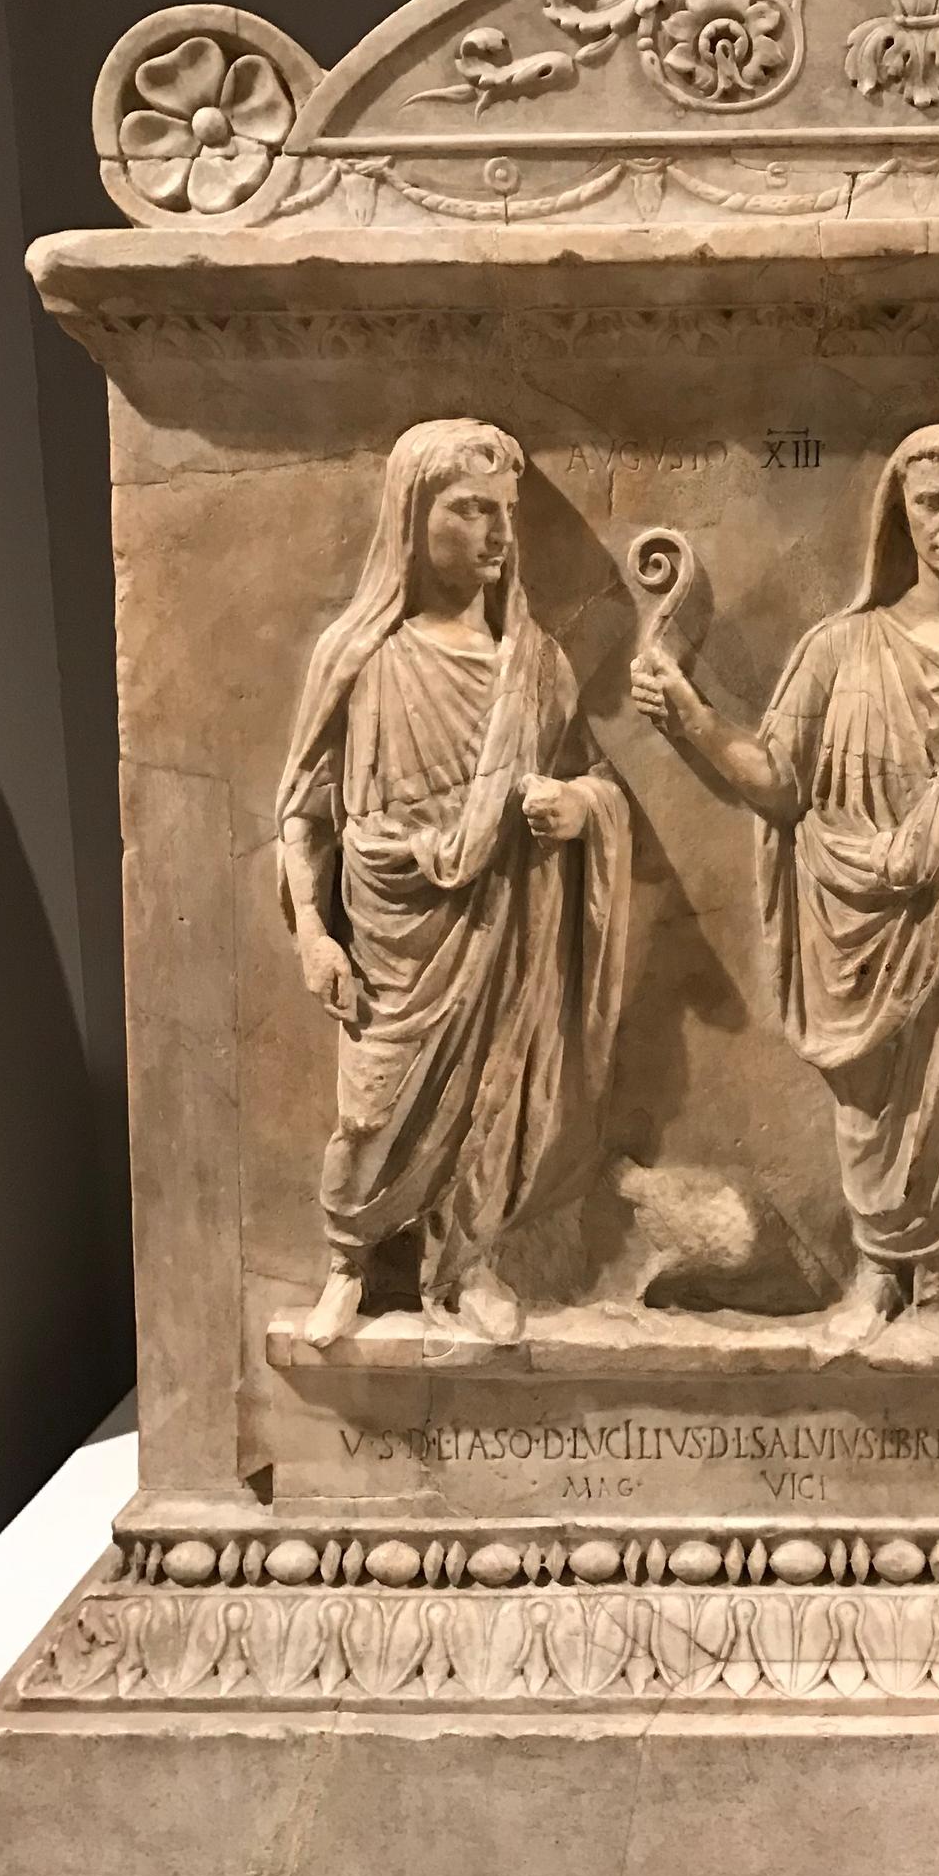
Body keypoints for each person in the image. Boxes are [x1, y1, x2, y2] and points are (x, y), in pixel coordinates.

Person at [630, 421, 939, 1353]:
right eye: (931, 503)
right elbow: (780, 786)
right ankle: (881, 1275)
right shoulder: (839, 647)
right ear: (900, 513)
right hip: (858, 933)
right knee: (875, 1115)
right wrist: (693, 718)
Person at [276, 419, 630, 1348]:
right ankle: (348, 1259)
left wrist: (578, 806)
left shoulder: (534, 666)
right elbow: (302, 813)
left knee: (491, 1099)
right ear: (412, 515)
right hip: (391, 933)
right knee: (369, 1111)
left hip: (501, 927)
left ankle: (469, 1262)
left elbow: (592, 780)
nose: (498, 533)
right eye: (471, 510)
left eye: (505, 511)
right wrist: (312, 932)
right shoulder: (358, 657)